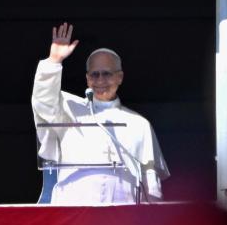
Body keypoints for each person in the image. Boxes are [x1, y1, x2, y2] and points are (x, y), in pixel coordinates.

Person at [32, 22, 169, 205]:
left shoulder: (138, 124)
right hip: (74, 217)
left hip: (122, 219)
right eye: (94, 75)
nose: (100, 80)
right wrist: (54, 61)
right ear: (88, 79)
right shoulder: (68, 110)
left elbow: (151, 183)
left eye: (107, 74)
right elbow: (43, 101)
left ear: (119, 77)